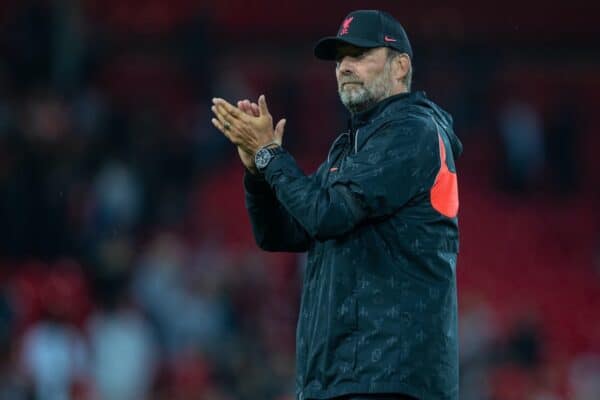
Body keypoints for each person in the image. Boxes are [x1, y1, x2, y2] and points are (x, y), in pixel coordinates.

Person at [211, 9, 463, 400]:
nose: (344, 66)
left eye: (360, 55)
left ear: (400, 67)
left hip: (389, 379)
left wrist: (269, 155)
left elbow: (327, 214)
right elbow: (282, 231)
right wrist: (258, 173)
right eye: (340, 58)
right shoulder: (351, 147)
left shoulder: (413, 132)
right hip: (343, 379)